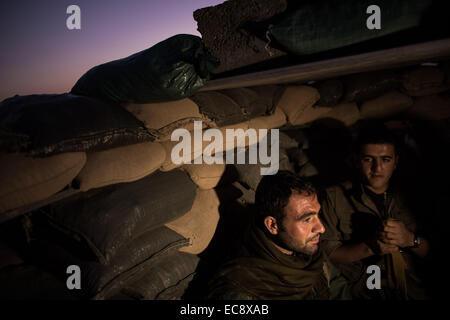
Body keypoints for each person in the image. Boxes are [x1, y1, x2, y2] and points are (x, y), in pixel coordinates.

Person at [320, 124, 431, 300]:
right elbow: (328, 253)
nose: (377, 168)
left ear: (396, 162)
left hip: (412, 290)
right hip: (363, 290)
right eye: (368, 159)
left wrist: (410, 239)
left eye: (385, 159)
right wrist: (369, 248)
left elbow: (433, 250)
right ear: (357, 161)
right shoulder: (334, 197)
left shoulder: (414, 196)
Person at [208, 170, 348, 300]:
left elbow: (338, 286)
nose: (321, 228)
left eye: (317, 215)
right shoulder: (242, 285)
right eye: (307, 220)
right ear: (272, 226)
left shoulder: (310, 253)